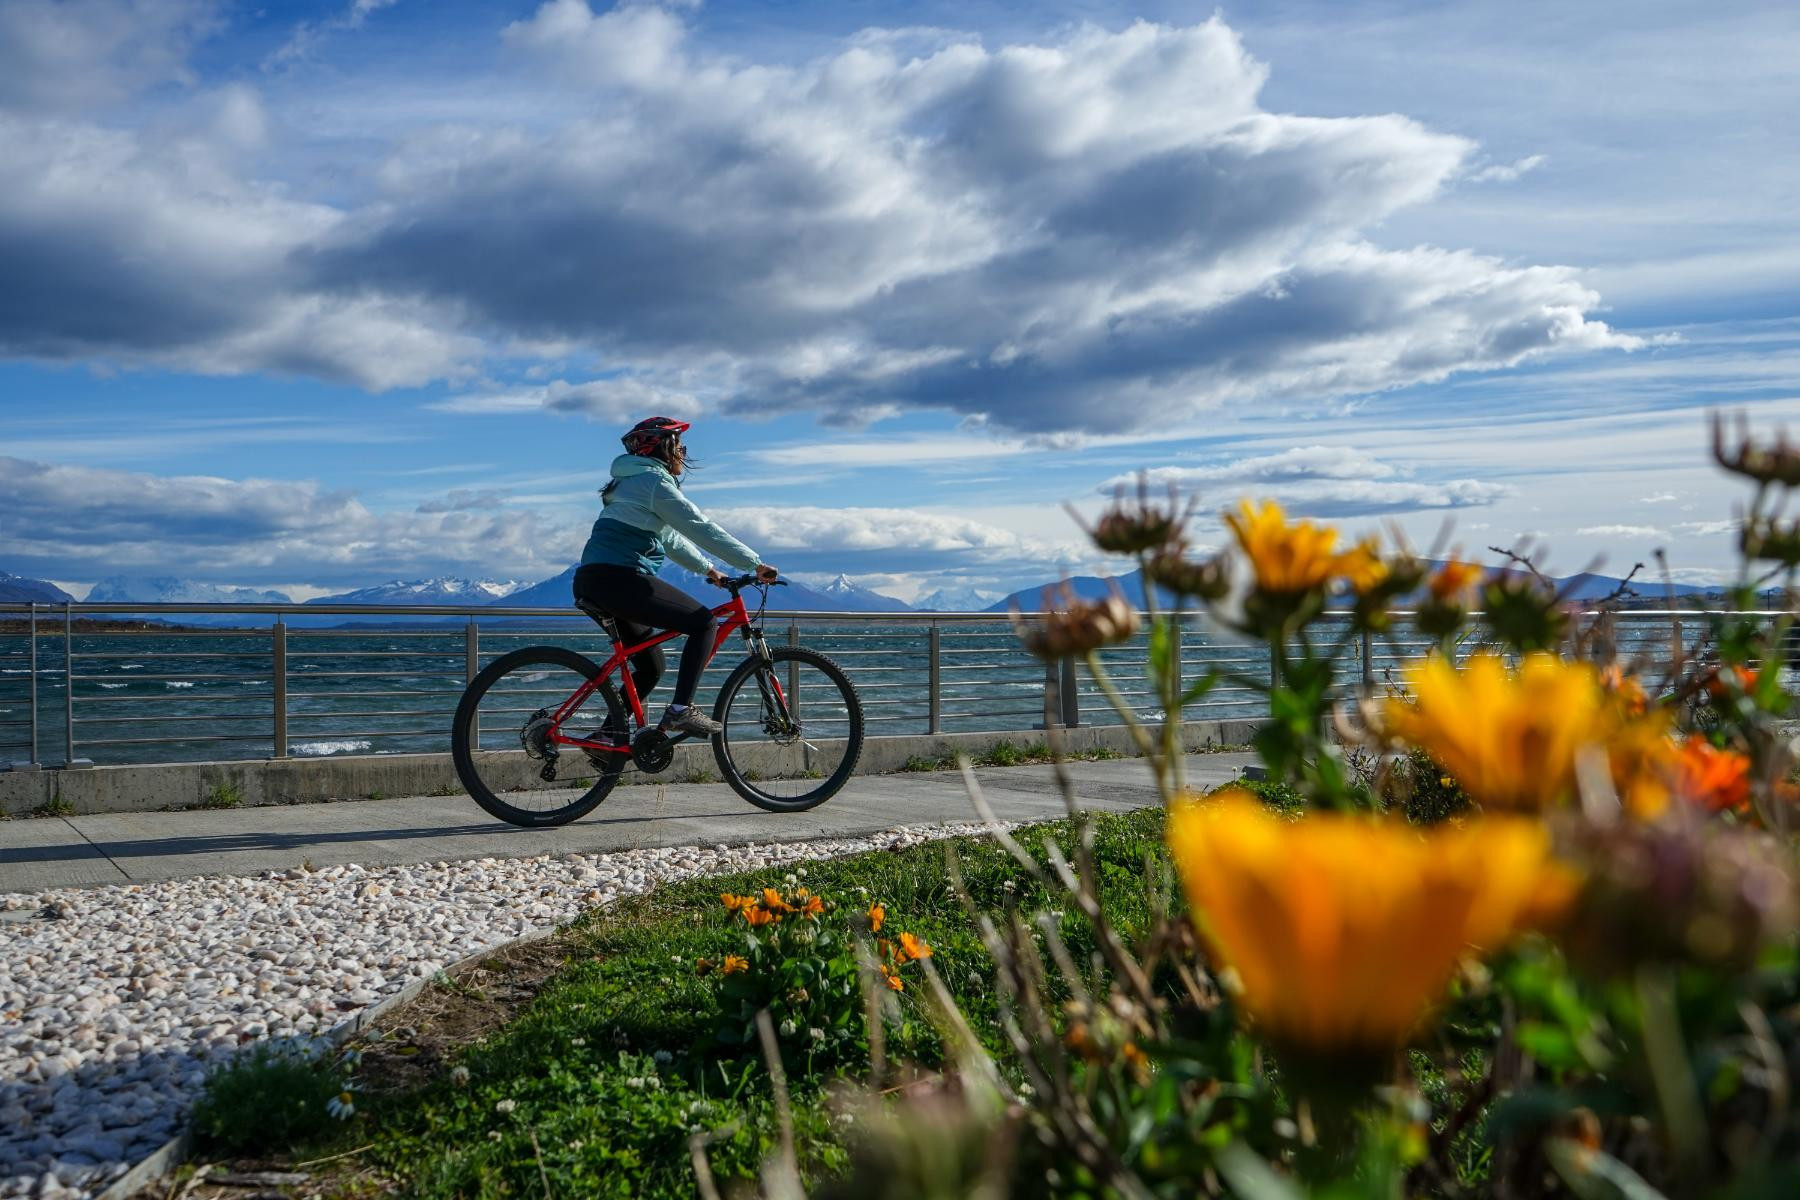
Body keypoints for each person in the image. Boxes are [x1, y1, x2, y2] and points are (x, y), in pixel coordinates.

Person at [573, 416, 779, 737]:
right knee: (704, 623)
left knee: (651, 667)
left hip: (596, 579)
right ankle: (681, 710)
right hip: (619, 578)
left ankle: (605, 739)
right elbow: (699, 526)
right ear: (663, 446)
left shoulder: (631, 482)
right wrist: (754, 563)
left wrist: (709, 570)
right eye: (679, 444)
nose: (683, 451)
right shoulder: (655, 483)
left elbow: (669, 538)